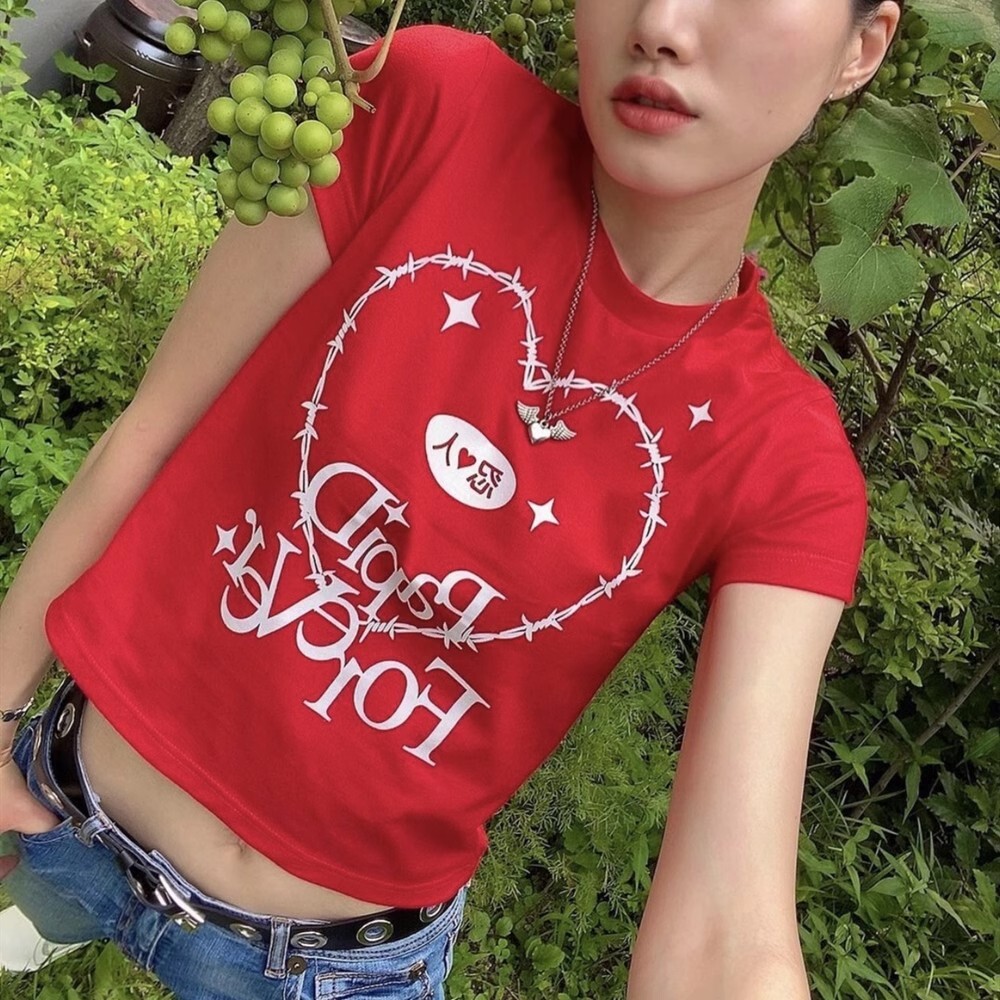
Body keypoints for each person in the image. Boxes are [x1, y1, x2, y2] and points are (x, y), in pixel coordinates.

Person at [0, 1, 903, 997]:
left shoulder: (786, 462)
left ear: (859, 48)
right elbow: (153, 426)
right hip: (64, 808)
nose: (662, 23)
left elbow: (728, 932)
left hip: (318, 972)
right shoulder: (433, 104)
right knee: (33, 918)